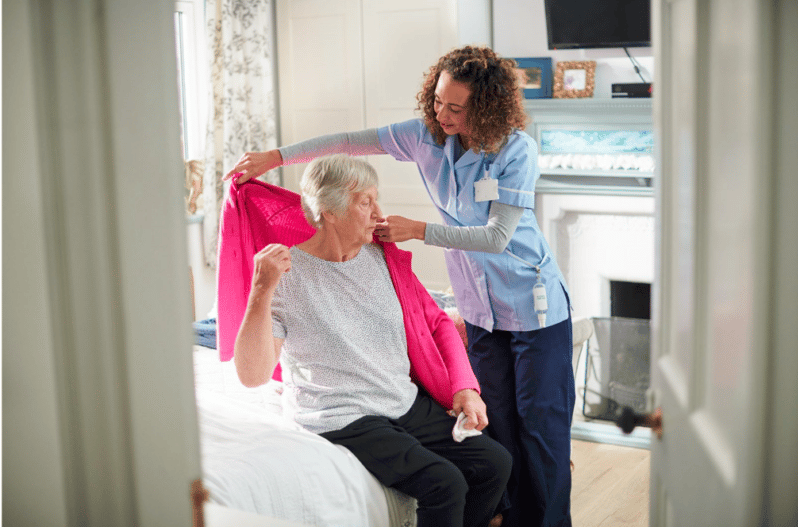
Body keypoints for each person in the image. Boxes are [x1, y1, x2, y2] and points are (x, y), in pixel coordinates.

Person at [226, 45, 574, 527]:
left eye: (457, 107)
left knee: (542, 433)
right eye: (437, 101)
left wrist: (418, 230)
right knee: (503, 432)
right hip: (478, 308)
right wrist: (276, 156)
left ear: (486, 106)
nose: (442, 114)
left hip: (532, 306)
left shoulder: (516, 151)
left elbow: (496, 237)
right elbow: (347, 141)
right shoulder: (424, 138)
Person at [233, 155, 512, 527]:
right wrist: (261, 288)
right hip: (341, 414)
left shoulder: (383, 257)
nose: (378, 212)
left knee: (494, 463)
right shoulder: (288, 276)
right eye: (365, 201)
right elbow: (252, 376)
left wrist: (465, 388)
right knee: (444, 484)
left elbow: (436, 323)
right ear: (329, 211)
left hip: (398, 400)